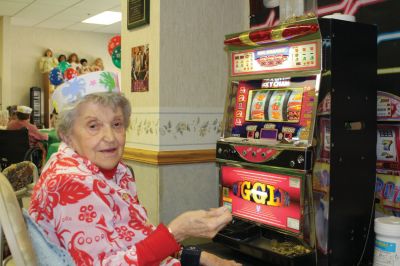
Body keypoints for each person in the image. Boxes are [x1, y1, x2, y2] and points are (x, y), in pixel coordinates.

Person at [29, 71, 239, 266]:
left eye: (117, 124)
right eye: (93, 126)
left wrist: (198, 255)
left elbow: (135, 238)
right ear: (66, 134)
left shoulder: (115, 170)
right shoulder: (71, 182)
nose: (110, 137)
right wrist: (177, 231)